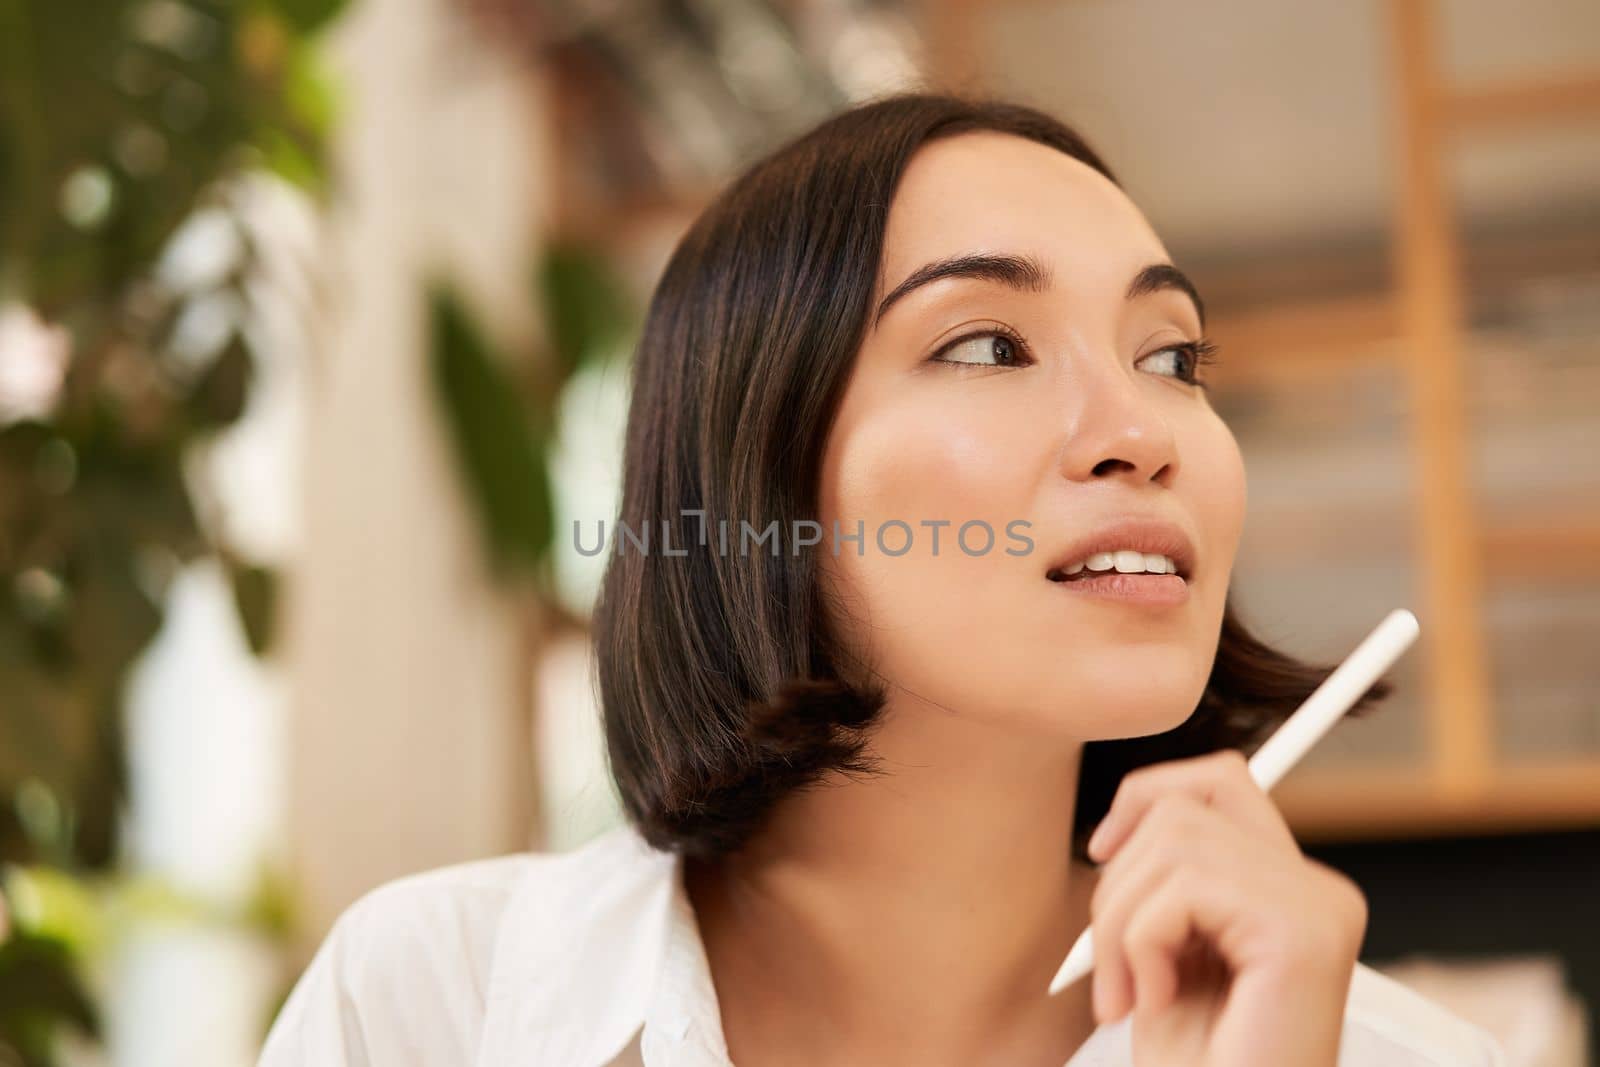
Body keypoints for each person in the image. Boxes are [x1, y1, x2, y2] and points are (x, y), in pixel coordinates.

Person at [258, 91, 1508, 1066]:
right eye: (986, 343)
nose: (1144, 427)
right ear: (757, 471)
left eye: (1172, 355)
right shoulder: (433, 1002)